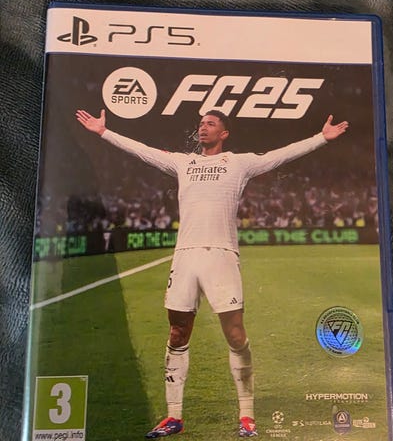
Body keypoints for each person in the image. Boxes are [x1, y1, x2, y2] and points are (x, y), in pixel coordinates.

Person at [75, 108, 349, 438]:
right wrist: (104, 132)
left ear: (224, 133)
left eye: (210, 124)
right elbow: (143, 151)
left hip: (222, 255)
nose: (202, 128)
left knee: (235, 335)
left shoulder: (238, 163)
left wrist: (321, 138)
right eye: (201, 123)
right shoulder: (183, 163)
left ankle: (246, 414)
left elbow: (279, 156)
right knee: (177, 333)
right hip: (185, 257)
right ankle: (174, 416)